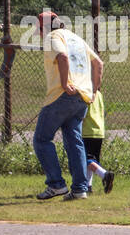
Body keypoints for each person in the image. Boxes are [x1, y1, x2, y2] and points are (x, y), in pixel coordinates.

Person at [32, 11, 102, 200]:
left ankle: (56, 185)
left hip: (62, 95)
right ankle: (80, 189)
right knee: (74, 141)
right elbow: (99, 64)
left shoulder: (52, 37)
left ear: (43, 28)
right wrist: (94, 91)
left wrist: (64, 83)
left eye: (38, 29)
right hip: (82, 98)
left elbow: (62, 57)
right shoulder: (76, 39)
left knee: (41, 139)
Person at [82, 88, 116, 194]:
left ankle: (105, 174)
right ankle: (88, 186)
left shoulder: (85, 93)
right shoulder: (99, 94)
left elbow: (82, 113)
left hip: (87, 130)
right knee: (91, 159)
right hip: (99, 131)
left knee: (85, 158)